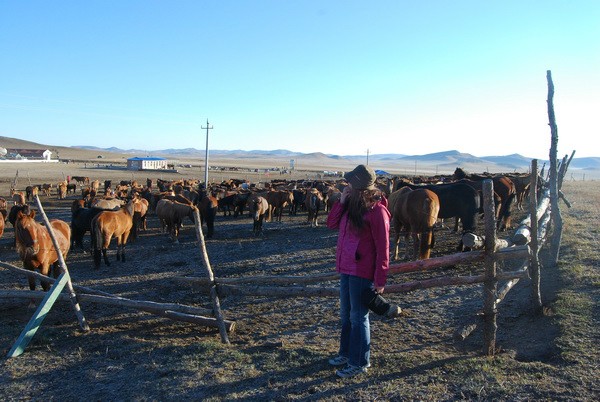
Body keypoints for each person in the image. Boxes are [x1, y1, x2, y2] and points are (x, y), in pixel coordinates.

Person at [326, 164, 400, 378]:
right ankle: (346, 353)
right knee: (346, 315)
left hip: (362, 271)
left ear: (358, 186)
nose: (345, 185)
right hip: (346, 268)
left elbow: (383, 246)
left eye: (349, 182)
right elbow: (331, 224)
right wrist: (340, 202)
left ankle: (359, 362)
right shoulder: (350, 204)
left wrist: (380, 279)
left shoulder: (378, 211)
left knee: (359, 317)